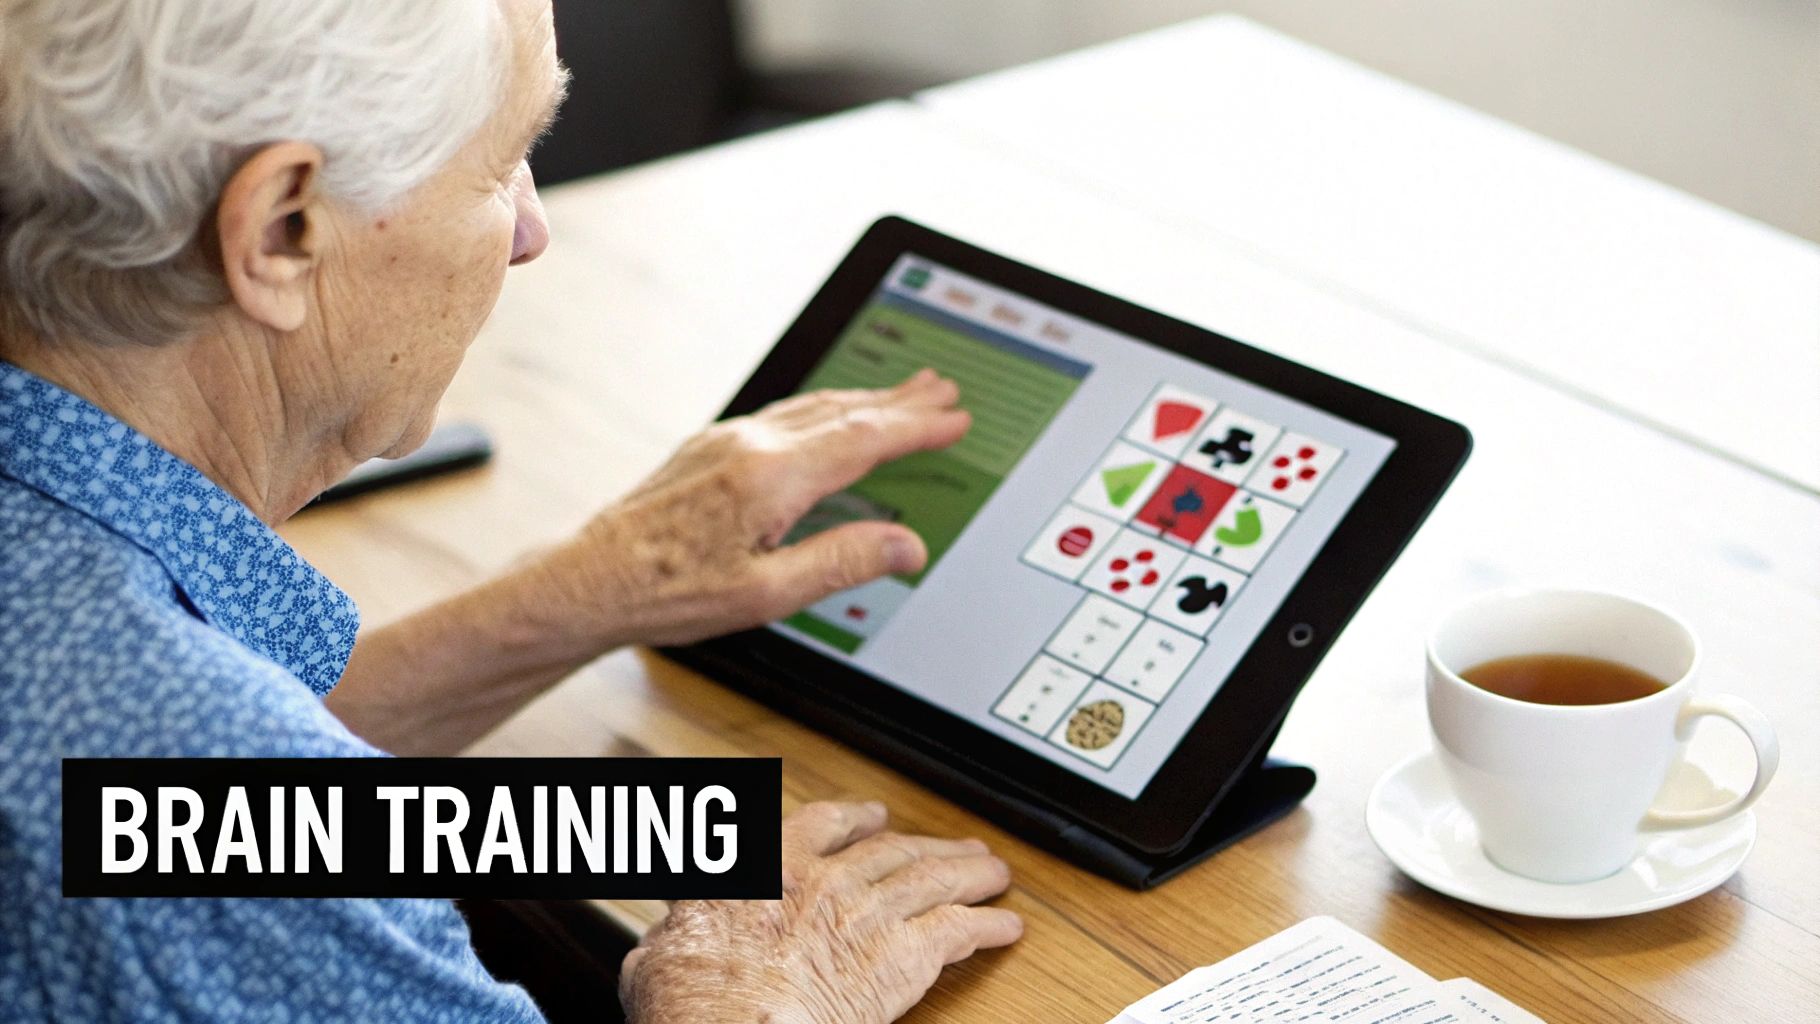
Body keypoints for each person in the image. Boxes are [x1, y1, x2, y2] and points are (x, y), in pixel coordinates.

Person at [0, 1, 1023, 1021]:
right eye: (501, 161)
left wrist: (601, 582)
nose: (531, 230)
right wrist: (742, 994)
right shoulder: (193, 783)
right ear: (280, 230)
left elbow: (184, 806)